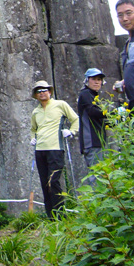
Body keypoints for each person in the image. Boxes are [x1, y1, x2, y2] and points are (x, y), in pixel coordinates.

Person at [30, 80, 79, 220]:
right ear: (36, 95)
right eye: (39, 91)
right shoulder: (36, 111)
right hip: (40, 150)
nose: (42, 93)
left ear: (50, 92)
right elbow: (33, 129)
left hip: (56, 149)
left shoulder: (60, 105)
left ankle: (61, 216)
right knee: (44, 183)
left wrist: (71, 132)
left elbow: (75, 119)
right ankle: (51, 217)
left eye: (44, 90)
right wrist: (32, 138)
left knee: (54, 182)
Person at [77, 68, 108, 187]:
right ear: (87, 80)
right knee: (96, 177)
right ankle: (95, 204)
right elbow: (93, 112)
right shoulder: (85, 94)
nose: (97, 82)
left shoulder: (94, 96)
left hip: (98, 142)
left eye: (99, 79)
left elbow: (99, 120)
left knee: (100, 176)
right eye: (93, 79)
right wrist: (112, 113)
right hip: (91, 142)